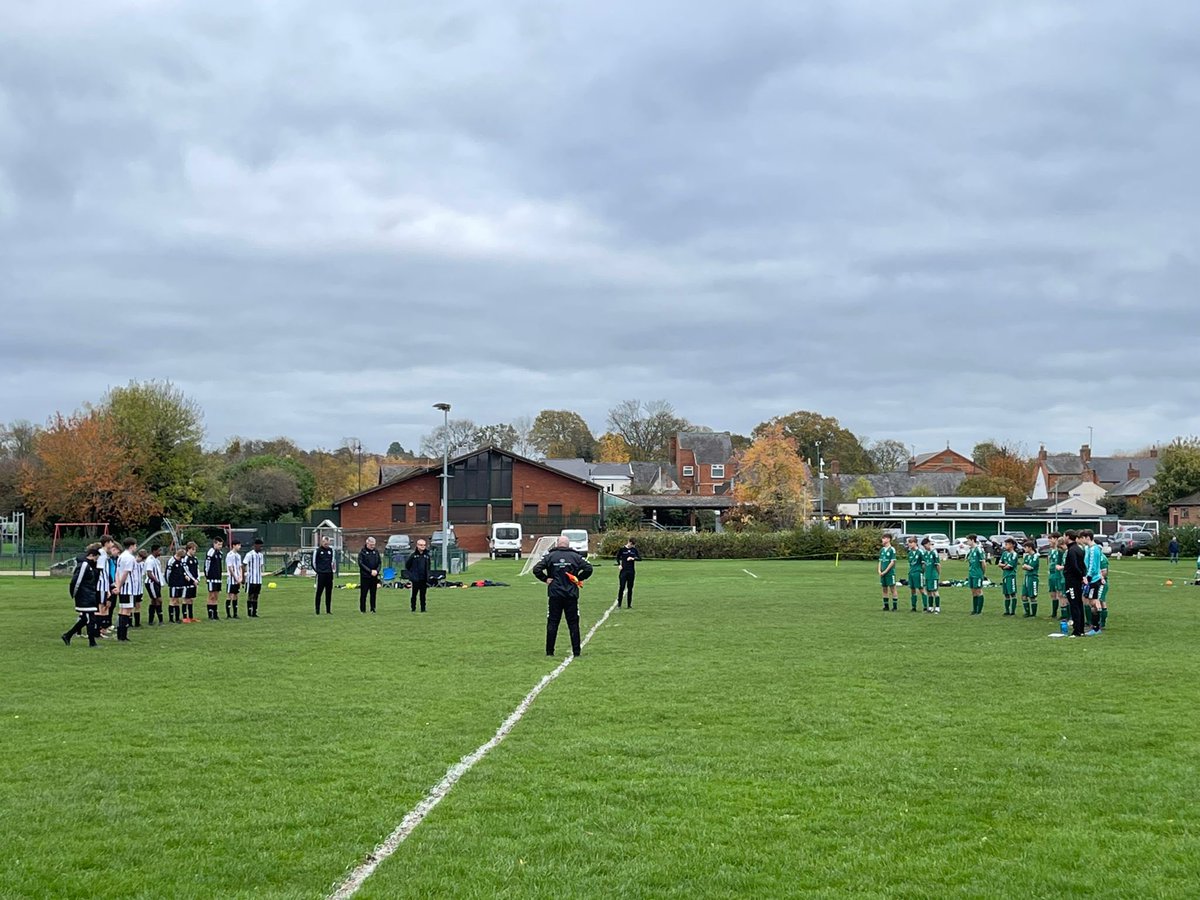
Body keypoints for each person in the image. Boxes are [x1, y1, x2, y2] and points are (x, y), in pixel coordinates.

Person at [533, 535, 594, 657]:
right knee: (573, 623)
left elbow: (536, 569)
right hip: (571, 594)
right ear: (568, 544)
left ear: (557, 544)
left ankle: (550, 652)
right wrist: (578, 579)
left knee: (553, 622)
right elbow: (589, 568)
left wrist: (545, 579)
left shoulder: (550, 556)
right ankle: (576, 652)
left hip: (555, 595)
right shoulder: (576, 556)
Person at [63, 544, 102, 647]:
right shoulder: (84, 565)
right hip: (84, 596)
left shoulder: (90, 566)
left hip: (90, 595)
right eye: (96, 557)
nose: (96, 560)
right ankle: (92, 642)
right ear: (92, 555)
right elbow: (76, 581)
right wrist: (74, 594)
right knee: (90, 619)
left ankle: (68, 635)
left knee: (85, 619)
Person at [113, 538, 140, 641]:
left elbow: (117, 572)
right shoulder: (129, 557)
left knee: (123, 609)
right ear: (132, 545)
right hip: (128, 588)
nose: (136, 547)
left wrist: (117, 585)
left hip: (124, 587)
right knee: (126, 611)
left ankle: (121, 635)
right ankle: (122, 636)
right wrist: (119, 586)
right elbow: (125, 573)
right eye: (135, 545)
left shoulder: (121, 557)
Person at [1062, 530, 1087, 637]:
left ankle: (1077, 631)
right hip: (1077, 580)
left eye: (1064, 536)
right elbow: (1083, 566)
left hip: (1072, 581)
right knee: (1079, 604)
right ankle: (1081, 629)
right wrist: (1083, 576)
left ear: (1068, 537)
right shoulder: (1079, 549)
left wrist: (1080, 576)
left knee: (1074, 604)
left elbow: (1075, 566)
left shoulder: (1072, 550)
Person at [405, 538, 432, 613]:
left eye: (424, 545)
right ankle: (413, 608)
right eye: (421, 545)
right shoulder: (413, 556)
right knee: (414, 594)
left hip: (423, 578)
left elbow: (428, 566)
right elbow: (407, 565)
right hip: (415, 579)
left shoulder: (427, 556)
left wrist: (427, 576)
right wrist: (412, 575)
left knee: (423, 595)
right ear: (417, 546)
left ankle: (423, 608)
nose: (422, 547)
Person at [358, 536, 381, 614]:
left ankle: (373, 608)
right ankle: (363, 609)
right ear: (367, 543)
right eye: (371, 545)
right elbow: (361, 564)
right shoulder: (362, 552)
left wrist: (377, 571)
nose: (372, 546)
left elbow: (379, 563)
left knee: (373, 593)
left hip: (374, 576)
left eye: (374, 545)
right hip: (365, 576)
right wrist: (370, 571)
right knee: (364, 593)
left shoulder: (376, 552)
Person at [616, 538, 641, 609]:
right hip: (623, 571)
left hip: (631, 571)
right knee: (622, 587)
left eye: (633, 545)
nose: (632, 546)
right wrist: (619, 564)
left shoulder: (634, 550)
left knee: (630, 588)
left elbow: (640, 558)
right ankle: (619, 604)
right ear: (629, 542)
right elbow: (617, 557)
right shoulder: (622, 549)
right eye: (631, 544)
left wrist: (633, 558)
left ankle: (629, 605)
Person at [313, 535, 336, 615]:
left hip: (329, 574)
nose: (327, 545)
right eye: (325, 544)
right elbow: (314, 563)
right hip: (321, 574)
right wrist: (318, 571)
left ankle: (328, 610)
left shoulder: (331, 550)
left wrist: (332, 570)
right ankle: (317, 610)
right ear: (322, 542)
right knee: (319, 592)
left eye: (328, 544)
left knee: (329, 592)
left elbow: (333, 561)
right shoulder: (318, 551)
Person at [243, 538, 265, 618]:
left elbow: (261, 566)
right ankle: (249, 612)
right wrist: (243, 577)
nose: (261, 548)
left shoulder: (260, 555)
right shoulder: (249, 554)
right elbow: (244, 565)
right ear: (255, 546)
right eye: (260, 546)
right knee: (250, 595)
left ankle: (254, 612)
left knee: (256, 595)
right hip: (251, 579)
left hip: (258, 579)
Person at [966, 534, 987, 615]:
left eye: (968, 540)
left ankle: (979, 611)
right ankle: (974, 609)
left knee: (978, 591)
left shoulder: (979, 549)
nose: (967, 542)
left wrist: (982, 573)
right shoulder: (971, 550)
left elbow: (983, 563)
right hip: (971, 573)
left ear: (972, 540)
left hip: (978, 574)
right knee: (973, 591)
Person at [144, 545, 164, 625]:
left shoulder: (156, 560)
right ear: (154, 551)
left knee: (153, 601)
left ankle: (151, 620)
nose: (160, 552)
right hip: (151, 583)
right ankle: (160, 621)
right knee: (158, 600)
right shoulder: (150, 560)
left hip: (155, 583)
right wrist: (157, 581)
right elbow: (149, 573)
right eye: (159, 550)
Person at [205, 536, 224, 620]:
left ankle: (215, 614)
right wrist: (207, 575)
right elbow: (207, 565)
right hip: (211, 578)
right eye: (219, 544)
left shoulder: (220, 553)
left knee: (216, 596)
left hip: (218, 577)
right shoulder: (211, 552)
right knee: (211, 595)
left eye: (221, 545)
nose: (220, 546)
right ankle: (210, 614)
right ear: (214, 544)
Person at [166, 548, 187, 623]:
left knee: (178, 601)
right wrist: (169, 582)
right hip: (173, 584)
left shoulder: (181, 561)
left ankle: (177, 618)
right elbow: (168, 573)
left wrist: (184, 576)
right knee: (173, 600)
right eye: (181, 557)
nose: (182, 559)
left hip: (180, 583)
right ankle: (171, 619)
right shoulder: (172, 561)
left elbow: (182, 571)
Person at [877, 534, 898, 611]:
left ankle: (895, 606)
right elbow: (880, 561)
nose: (882, 540)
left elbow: (892, 562)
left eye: (884, 538)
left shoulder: (892, 549)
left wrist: (885, 571)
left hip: (890, 573)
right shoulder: (882, 550)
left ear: (888, 539)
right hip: (882, 573)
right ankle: (886, 606)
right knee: (884, 589)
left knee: (893, 589)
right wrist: (879, 570)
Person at [999, 538, 1019, 617]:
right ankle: (1007, 611)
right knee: (1006, 594)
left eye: (1007, 544)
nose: (1005, 546)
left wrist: (1004, 566)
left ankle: (1012, 612)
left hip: (1011, 576)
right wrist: (1004, 565)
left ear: (1012, 545)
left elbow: (1010, 566)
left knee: (1012, 593)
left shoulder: (1014, 554)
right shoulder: (1004, 553)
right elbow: (1000, 564)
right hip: (1005, 576)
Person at [905, 536, 926, 612]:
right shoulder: (910, 553)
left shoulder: (920, 552)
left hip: (918, 572)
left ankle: (925, 606)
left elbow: (923, 564)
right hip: (911, 573)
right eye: (909, 543)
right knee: (912, 590)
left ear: (915, 543)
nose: (909, 545)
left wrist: (921, 571)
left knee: (921, 589)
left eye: (911, 543)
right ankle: (913, 607)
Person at [225, 538, 244, 618]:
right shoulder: (230, 555)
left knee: (236, 595)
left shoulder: (238, 556)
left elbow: (240, 567)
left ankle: (235, 613)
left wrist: (241, 577)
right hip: (231, 579)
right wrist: (235, 577)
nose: (239, 547)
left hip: (237, 578)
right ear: (234, 545)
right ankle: (228, 614)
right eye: (238, 545)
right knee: (230, 595)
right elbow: (230, 568)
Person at [1020, 539, 1039, 617]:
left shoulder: (1035, 556)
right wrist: (1026, 566)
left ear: (1030, 548)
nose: (1024, 549)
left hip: (1033, 578)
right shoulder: (1027, 556)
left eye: (1025, 547)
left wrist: (1026, 566)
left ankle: (1033, 614)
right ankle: (1027, 612)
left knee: (1032, 596)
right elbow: (1023, 566)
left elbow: (1031, 567)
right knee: (1023, 595)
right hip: (1027, 577)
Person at [1047, 533, 1064, 618]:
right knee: (1052, 593)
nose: (1049, 541)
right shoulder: (1050, 550)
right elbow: (1049, 561)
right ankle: (1054, 613)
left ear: (1056, 539)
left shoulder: (1060, 551)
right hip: (1051, 574)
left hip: (1058, 574)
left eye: (1051, 539)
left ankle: (1064, 613)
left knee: (1060, 593)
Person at [922, 537, 941, 614]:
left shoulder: (934, 553)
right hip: (927, 575)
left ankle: (937, 608)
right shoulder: (925, 553)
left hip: (933, 576)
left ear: (928, 543)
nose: (924, 547)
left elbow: (938, 565)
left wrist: (938, 574)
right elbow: (924, 565)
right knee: (928, 591)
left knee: (935, 591)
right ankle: (930, 608)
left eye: (925, 545)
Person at [184, 541, 200, 622]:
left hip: (194, 581)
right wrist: (193, 579)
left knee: (191, 599)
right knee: (186, 599)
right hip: (188, 581)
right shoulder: (185, 558)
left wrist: (198, 579)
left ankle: (191, 617)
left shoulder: (195, 559)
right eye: (193, 549)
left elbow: (197, 569)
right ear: (189, 549)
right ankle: (184, 617)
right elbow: (186, 571)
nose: (194, 551)